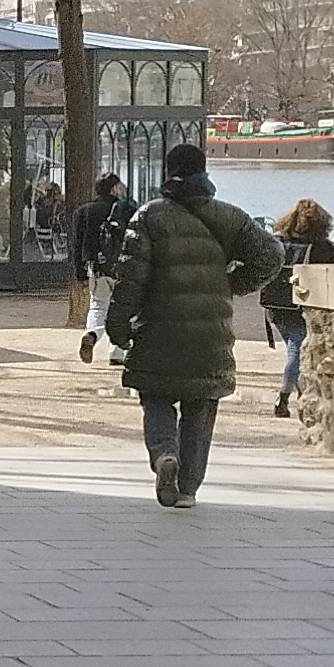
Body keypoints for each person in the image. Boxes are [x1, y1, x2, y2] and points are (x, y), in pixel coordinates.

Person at [103, 139, 277, 508]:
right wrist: (232, 285)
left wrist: (117, 327)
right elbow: (271, 255)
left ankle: (165, 453)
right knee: (201, 405)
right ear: (204, 173)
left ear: (169, 172)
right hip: (210, 333)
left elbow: (131, 280)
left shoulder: (149, 217)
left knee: (157, 397)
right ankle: (188, 488)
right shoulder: (230, 217)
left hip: (158, 328)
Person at [263, 194, 333, 418]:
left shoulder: (277, 243)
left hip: (275, 306)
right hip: (302, 305)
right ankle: (284, 397)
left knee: (296, 347)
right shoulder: (321, 248)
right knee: (298, 348)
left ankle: (301, 396)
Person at [70, 172, 130, 358]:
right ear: (114, 188)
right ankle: (117, 352)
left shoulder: (84, 211)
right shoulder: (126, 209)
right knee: (122, 307)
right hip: (121, 267)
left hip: (96, 267)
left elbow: (77, 244)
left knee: (98, 305)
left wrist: (79, 271)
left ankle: (92, 333)